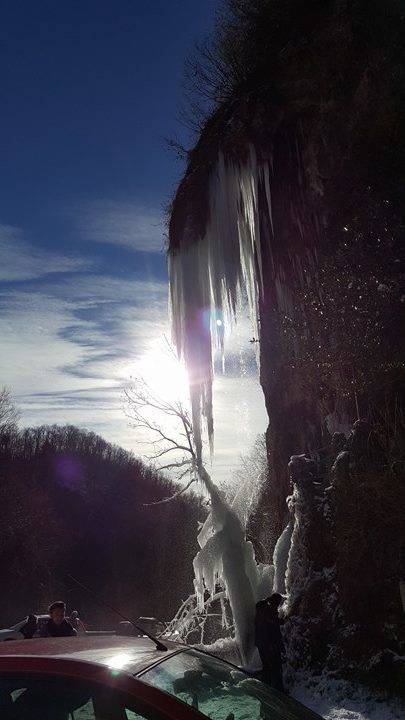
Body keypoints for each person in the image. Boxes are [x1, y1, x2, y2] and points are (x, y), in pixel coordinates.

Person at [255, 593, 285, 692]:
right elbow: (274, 625)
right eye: (278, 603)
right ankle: (278, 689)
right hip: (269, 644)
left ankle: (267, 687)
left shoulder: (263, 610)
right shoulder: (268, 611)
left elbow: (259, 605)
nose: (278, 605)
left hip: (262, 643)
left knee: (267, 667)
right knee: (275, 667)